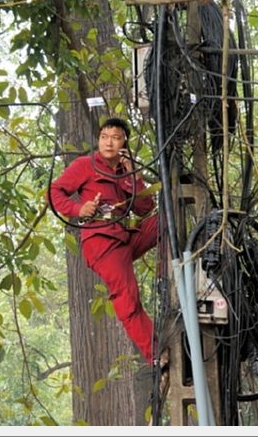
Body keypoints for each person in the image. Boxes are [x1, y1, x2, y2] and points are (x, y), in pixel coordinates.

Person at [49, 118, 159, 365]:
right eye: (104, 137)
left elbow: (144, 208)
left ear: (124, 143)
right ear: (98, 140)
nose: (109, 142)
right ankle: (156, 355)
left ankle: (168, 277)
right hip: (102, 242)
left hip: (125, 237)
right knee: (127, 296)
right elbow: (54, 192)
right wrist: (78, 208)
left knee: (165, 222)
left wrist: (133, 177)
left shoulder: (126, 169)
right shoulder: (85, 165)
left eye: (116, 137)